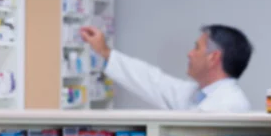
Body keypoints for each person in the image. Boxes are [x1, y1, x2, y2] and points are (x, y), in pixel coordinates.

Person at [79, 24, 253, 112]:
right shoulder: (195, 93)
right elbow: (153, 81)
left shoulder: (230, 104)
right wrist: (104, 51)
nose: (190, 54)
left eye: (197, 48)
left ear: (213, 57)